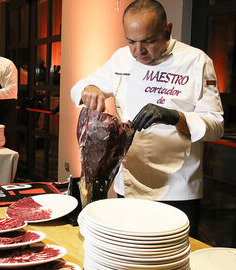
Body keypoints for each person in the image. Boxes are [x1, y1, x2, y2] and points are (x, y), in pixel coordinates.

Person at [70, 0, 224, 237]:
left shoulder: (196, 61)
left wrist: (174, 116)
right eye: (131, 41)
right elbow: (78, 88)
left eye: (149, 41)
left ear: (167, 30)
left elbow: (216, 125)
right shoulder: (121, 58)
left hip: (177, 187)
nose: (138, 51)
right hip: (129, 183)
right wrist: (89, 88)